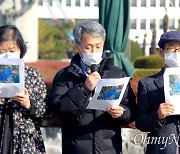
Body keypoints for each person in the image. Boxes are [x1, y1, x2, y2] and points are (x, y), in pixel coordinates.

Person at [50, 20, 137, 154]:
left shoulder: (117, 73)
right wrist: (85, 88)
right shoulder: (64, 76)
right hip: (76, 148)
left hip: (110, 148)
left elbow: (130, 108)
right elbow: (60, 109)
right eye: (88, 47)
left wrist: (122, 112)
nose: (94, 51)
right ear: (77, 46)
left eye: (98, 46)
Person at [0, 25, 47, 153]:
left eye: (12, 50)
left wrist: (28, 104)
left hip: (25, 140)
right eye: (2, 51)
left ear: (20, 49)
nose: (7, 55)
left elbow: (43, 110)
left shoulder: (32, 74)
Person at [136, 30, 180, 154]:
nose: (177, 53)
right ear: (161, 52)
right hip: (162, 148)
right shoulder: (148, 83)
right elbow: (140, 122)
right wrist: (158, 115)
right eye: (171, 49)